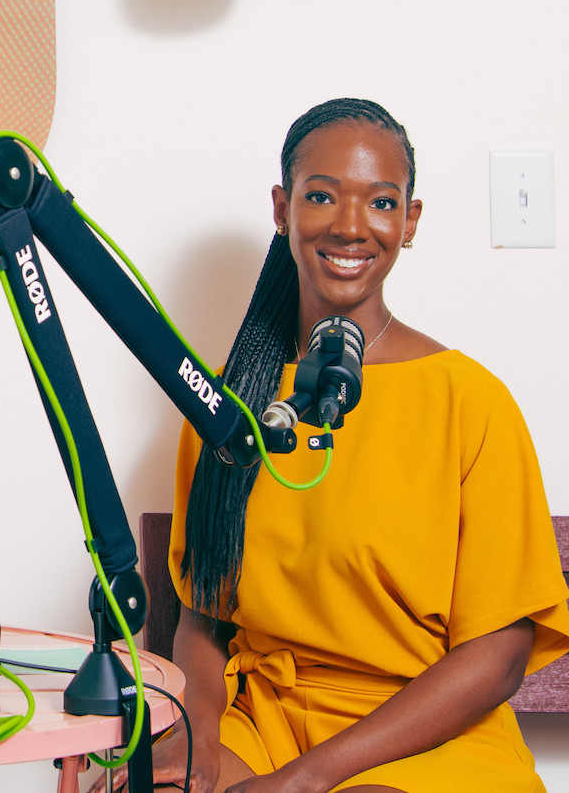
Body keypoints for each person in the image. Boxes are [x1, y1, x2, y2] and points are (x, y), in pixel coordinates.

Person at [93, 98, 569, 792]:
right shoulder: (221, 403)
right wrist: (196, 734)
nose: (351, 226)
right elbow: (204, 614)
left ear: (409, 223)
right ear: (283, 210)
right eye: (321, 196)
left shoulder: (470, 402)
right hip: (267, 716)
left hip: (425, 733)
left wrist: (307, 780)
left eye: (380, 202)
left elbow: (498, 655)